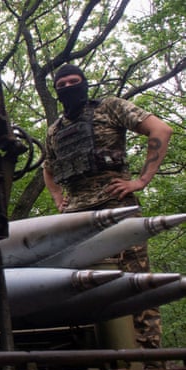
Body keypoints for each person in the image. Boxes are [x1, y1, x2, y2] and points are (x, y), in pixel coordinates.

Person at [42, 64, 173, 351]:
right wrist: (57, 199)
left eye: (73, 82)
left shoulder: (109, 108)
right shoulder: (55, 131)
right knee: (87, 287)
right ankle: (105, 354)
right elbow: (48, 169)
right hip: (77, 222)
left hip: (118, 209)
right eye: (61, 84)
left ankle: (150, 360)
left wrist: (141, 180)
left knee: (135, 284)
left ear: (84, 84)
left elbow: (161, 130)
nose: (67, 88)